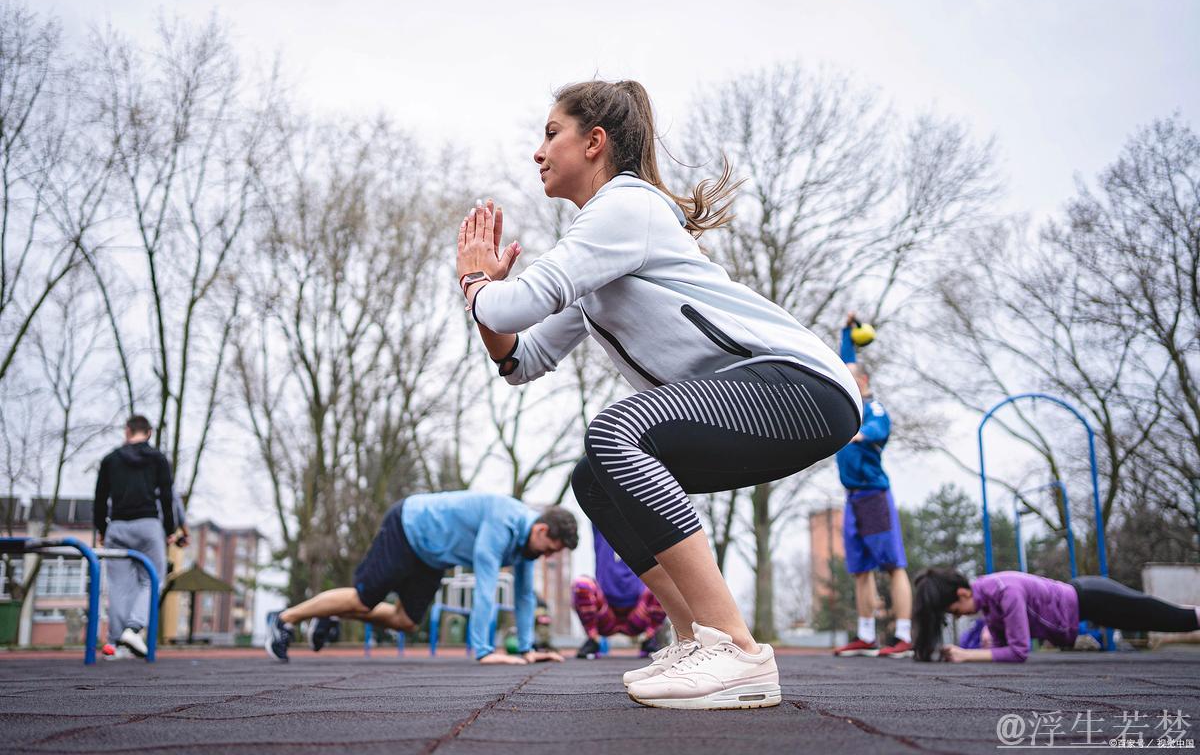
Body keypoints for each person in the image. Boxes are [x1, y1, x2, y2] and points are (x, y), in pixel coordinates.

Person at [456, 79, 861, 709]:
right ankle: (696, 637)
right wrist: (487, 304)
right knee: (593, 475)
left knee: (616, 430)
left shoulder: (625, 207)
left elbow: (515, 303)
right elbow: (520, 358)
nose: (537, 151)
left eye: (550, 132)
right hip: (757, 401)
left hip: (800, 385)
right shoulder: (600, 256)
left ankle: (737, 649)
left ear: (594, 143)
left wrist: (477, 281)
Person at [265, 492, 578, 665]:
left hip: (433, 558)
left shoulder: (528, 547)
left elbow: (524, 595)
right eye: (550, 549)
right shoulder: (502, 522)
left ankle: (327, 612)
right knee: (363, 599)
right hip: (408, 527)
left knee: (405, 621)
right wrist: (485, 653)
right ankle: (283, 620)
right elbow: (485, 587)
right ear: (540, 530)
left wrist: (526, 650)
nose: (547, 556)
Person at [831, 313, 913, 658]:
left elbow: (877, 431)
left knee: (892, 565)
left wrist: (848, 433)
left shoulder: (873, 408)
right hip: (852, 498)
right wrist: (847, 330)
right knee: (860, 569)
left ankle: (904, 636)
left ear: (863, 380)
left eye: (851, 377)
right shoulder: (849, 402)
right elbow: (844, 360)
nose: (844, 380)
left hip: (874, 495)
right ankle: (866, 636)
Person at [912, 568, 1200, 663]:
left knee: (1173, 619)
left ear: (963, 594)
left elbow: (1019, 651)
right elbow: (1002, 648)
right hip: (1087, 601)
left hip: (1093, 596)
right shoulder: (988, 603)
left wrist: (966, 654)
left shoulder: (1004, 591)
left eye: (955, 611)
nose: (960, 617)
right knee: (1161, 617)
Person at [93, 414, 177, 659]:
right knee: (153, 579)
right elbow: (167, 496)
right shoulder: (158, 459)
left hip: (117, 526)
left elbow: (99, 498)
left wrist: (102, 528)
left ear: (127, 431)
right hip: (148, 526)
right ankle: (133, 628)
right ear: (149, 432)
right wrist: (169, 530)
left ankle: (117, 645)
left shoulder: (110, 459)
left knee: (119, 587)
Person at [573, 529, 666, 659]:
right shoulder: (602, 525)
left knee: (666, 583)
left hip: (637, 614)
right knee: (582, 584)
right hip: (605, 614)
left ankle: (648, 639)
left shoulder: (640, 526)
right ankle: (593, 640)